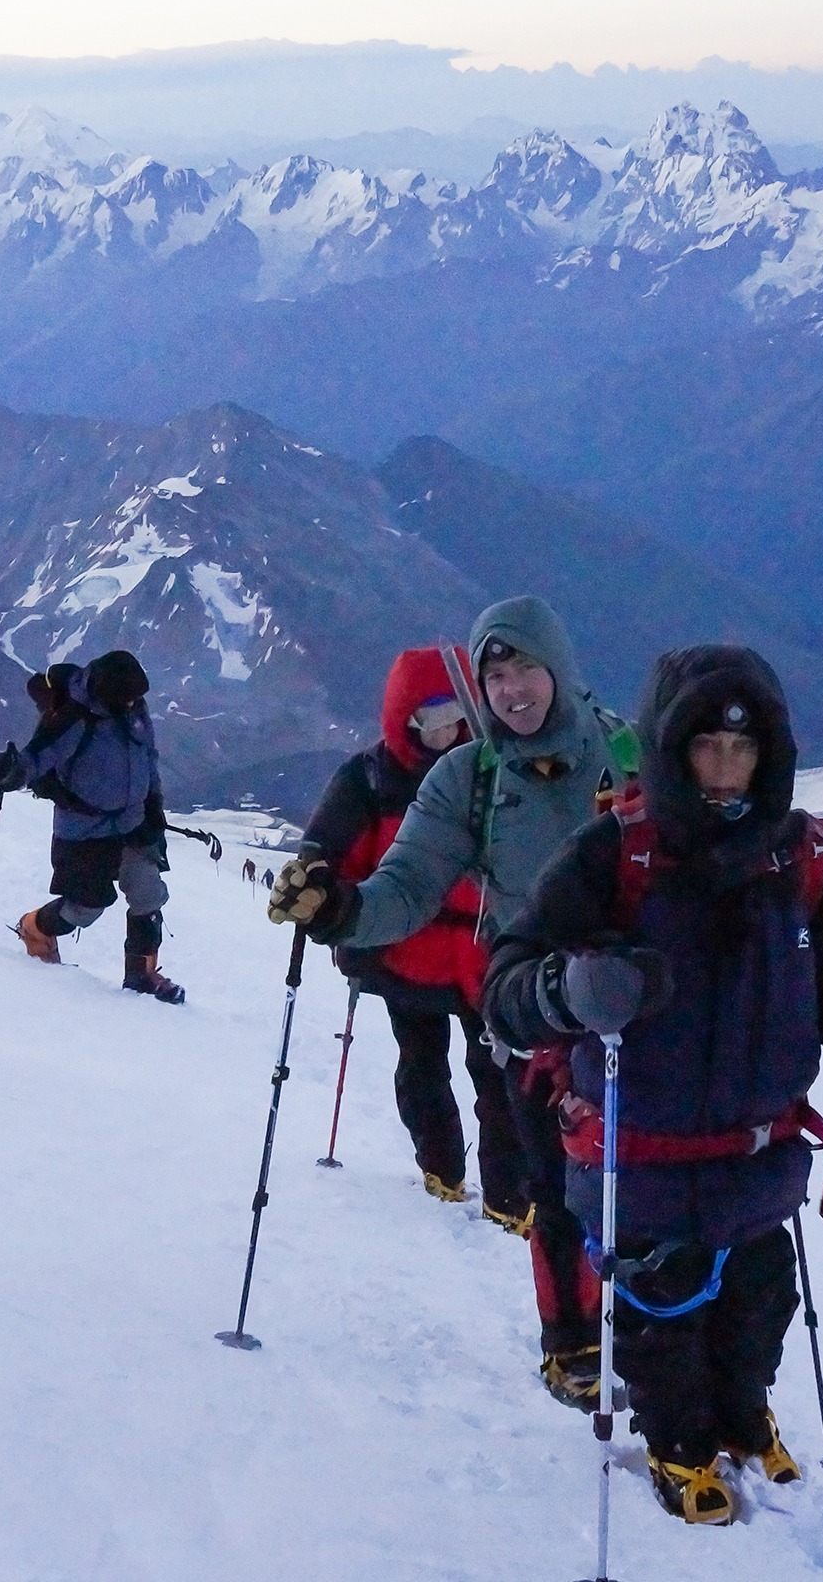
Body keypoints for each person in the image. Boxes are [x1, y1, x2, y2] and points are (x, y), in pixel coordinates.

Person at [482, 645, 823, 1527]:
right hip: (641, 1160)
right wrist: (568, 993)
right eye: (703, 746)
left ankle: (743, 1416)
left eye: (742, 750)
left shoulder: (807, 860)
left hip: (762, 1157)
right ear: (668, 750)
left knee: (761, 1307)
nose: (723, 769)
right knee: (659, 1323)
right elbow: (505, 991)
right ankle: (679, 1445)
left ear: (772, 754)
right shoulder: (612, 857)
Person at [268, 596, 635, 1409]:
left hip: (643, 1007)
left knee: (660, 1188)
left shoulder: (627, 752)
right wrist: (341, 911)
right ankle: (574, 1344)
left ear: (559, 667)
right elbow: (407, 882)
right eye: (494, 676)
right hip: (534, 1010)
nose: (510, 691)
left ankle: (670, 1352)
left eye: (524, 670)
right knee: (559, 1183)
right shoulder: (468, 779)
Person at [298, 646, 525, 1218]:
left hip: (477, 959)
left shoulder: (491, 769)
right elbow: (327, 856)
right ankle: (444, 1171)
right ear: (406, 721)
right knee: (427, 1066)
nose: (447, 734)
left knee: (497, 1082)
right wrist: (327, 901)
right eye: (432, 721)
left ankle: (507, 1197)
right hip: (412, 955)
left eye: (457, 718)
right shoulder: (373, 780)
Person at [0, 649, 183, 1004]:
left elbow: (147, 760)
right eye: (128, 697)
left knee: (147, 893)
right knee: (85, 908)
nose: (135, 702)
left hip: (134, 822)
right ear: (110, 692)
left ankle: (141, 976)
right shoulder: (76, 716)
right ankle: (34, 927)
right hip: (85, 830)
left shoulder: (132, 709)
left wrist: (154, 805)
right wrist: (14, 772)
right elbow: (38, 757)